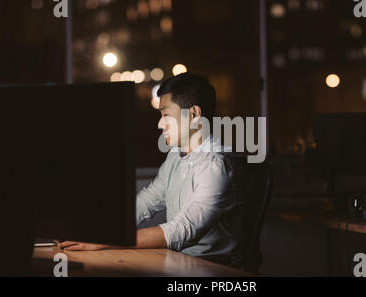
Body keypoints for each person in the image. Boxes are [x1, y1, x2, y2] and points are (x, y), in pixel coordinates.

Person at [60, 73, 245, 267]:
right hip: (179, 260)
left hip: (211, 268)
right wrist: (102, 229)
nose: (160, 123)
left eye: (166, 115)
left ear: (194, 114)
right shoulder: (176, 154)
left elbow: (181, 230)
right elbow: (149, 200)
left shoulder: (216, 166)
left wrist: (108, 240)